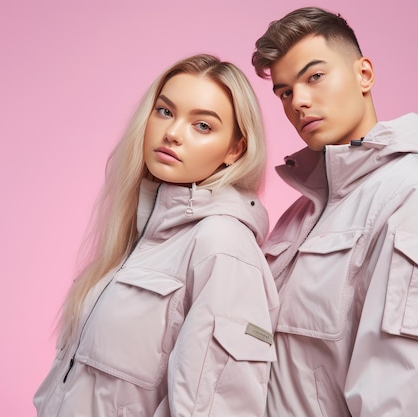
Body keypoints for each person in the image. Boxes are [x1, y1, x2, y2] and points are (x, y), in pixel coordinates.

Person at [251, 7, 418, 417]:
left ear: (364, 74)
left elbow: (405, 395)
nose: (299, 101)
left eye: (315, 76)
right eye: (285, 91)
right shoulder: (303, 213)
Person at [34, 54, 279, 417]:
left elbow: (216, 406)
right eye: (165, 112)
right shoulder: (139, 236)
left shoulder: (221, 245)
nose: (173, 133)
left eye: (203, 126)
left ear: (234, 149)